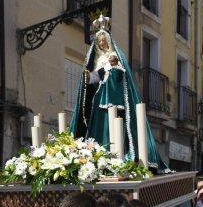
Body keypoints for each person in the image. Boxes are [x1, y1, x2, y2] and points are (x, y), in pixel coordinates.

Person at [69, 14, 169, 172]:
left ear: (108, 41)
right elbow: (93, 81)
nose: (102, 43)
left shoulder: (116, 56)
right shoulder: (95, 60)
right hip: (99, 100)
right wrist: (89, 77)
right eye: (99, 41)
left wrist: (113, 68)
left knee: (114, 129)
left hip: (114, 102)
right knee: (98, 129)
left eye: (104, 40)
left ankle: (116, 159)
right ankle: (96, 157)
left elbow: (122, 77)